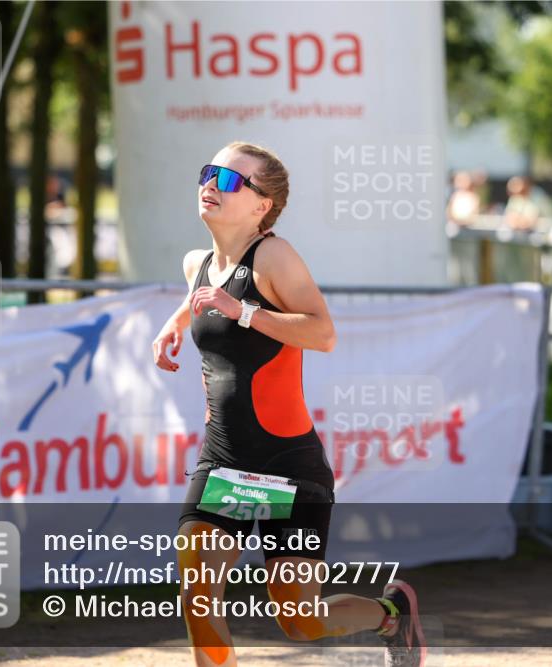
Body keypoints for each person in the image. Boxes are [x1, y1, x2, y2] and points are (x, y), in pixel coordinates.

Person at [152, 141, 426, 667]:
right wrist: (173, 324)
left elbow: (322, 334)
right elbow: (200, 297)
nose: (211, 184)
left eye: (230, 180)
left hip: (285, 466)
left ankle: (392, 613)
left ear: (262, 205)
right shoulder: (198, 263)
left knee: (302, 622)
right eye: (209, 172)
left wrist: (245, 312)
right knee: (198, 595)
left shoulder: (274, 256)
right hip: (224, 464)